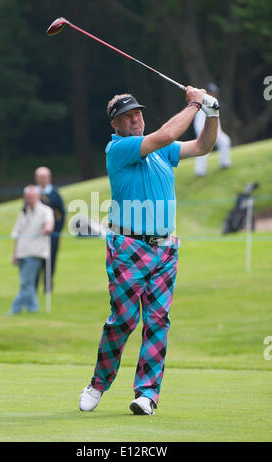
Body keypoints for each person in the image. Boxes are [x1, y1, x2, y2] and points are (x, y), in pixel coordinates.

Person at [79, 87, 218, 415]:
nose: (135, 119)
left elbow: (202, 145)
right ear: (116, 125)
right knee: (124, 319)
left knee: (158, 320)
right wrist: (196, 103)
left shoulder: (162, 151)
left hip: (165, 248)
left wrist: (212, 114)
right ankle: (99, 383)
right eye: (127, 117)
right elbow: (167, 132)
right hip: (129, 246)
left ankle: (147, 394)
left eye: (137, 113)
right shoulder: (121, 149)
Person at [9, 185, 54, 314]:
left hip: (35, 252)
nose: (30, 199)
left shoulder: (45, 210)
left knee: (26, 283)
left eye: (33, 197)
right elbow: (17, 234)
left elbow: (49, 223)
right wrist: (15, 254)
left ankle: (16, 308)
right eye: (28, 197)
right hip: (22, 252)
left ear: (38, 196)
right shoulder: (23, 211)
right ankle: (32, 308)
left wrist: (48, 228)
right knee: (26, 283)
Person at [35, 166, 66, 291]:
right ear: (36, 178)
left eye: (46, 177)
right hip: (36, 236)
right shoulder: (33, 193)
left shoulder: (55, 194)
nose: (44, 179)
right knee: (36, 261)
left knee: (50, 261)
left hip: (52, 235)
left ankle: (48, 287)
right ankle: (34, 288)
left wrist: (57, 232)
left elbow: (61, 214)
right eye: (42, 177)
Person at [194, 83, 231, 176]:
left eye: (214, 92)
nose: (214, 94)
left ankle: (225, 163)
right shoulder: (203, 103)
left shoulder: (214, 101)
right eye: (212, 92)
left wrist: (220, 131)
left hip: (216, 131)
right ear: (208, 92)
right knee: (204, 150)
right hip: (205, 131)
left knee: (225, 141)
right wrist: (202, 134)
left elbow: (216, 119)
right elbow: (199, 122)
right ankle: (200, 171)